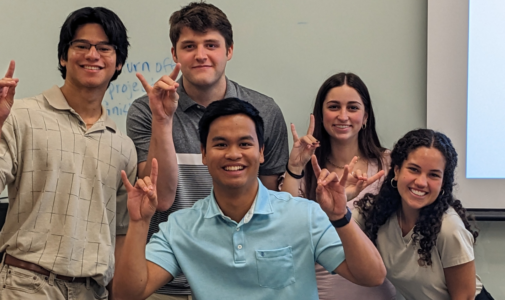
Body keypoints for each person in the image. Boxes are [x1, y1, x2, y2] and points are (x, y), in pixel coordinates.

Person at [114, 98, 386, 300]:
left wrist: (340, 217)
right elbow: (129, 294)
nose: (233, 154)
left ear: (262, 152)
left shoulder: (304, 214)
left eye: (245, 144)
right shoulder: (182, 227)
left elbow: (372, 276)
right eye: (220, 144)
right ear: (204, 154)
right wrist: (139, 222)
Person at [0, 7, 137, 300]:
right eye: (81, 46)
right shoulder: (20, 114)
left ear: (119, 62)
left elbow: (120, 235)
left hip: (93, 291)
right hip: (27, 285)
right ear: (64, 56)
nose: (92, 55)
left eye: (104, 48)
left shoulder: (122, 145)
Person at [126, 2, 288, 298]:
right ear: (175, 54)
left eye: (211, 44)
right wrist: (163, 120)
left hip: (240, 282)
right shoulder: (146, 110)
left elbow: (270, 205)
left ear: (229, 50)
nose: (200, 55)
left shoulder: (264, 111)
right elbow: (160, 199)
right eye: (189, 46)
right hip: (166, 283)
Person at [281, 73, 396, 299]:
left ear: (365, 117)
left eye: (352, 108)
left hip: (379, 292)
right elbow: (284, 226)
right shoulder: (307, 168)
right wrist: (295, 166)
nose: (343, 116)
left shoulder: (389, 166)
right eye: (334, 107)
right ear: (321, 114)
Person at [354, 129, 494, 300]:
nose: (421, 182)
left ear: (443, 184)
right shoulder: (377, 213)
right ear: (397, 171)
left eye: (433, 175)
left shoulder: (449, 228)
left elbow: (464, 297)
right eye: (414, 169)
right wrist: (342, 198)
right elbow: (335, 224)